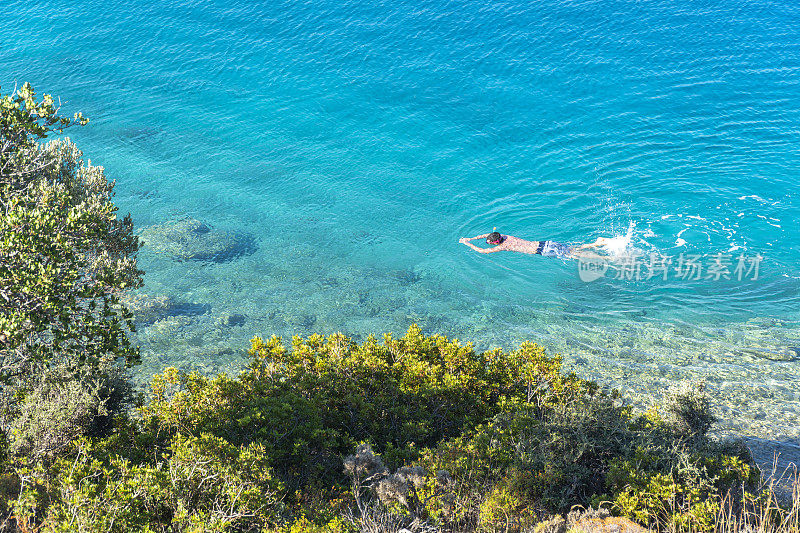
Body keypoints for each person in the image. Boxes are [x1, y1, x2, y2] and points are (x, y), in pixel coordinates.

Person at [458, 230, 612, 259]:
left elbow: (483, 252)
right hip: (546, 243)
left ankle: (605, 259)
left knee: (574, 256)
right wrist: (471, 237)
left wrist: (467, 243)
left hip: (543, 251)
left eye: (489, 242)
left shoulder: (503, 246)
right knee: (571, 249)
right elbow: (486, 235)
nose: (487, 242)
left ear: (496, 242)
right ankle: (597, 243)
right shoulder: (505, 236)